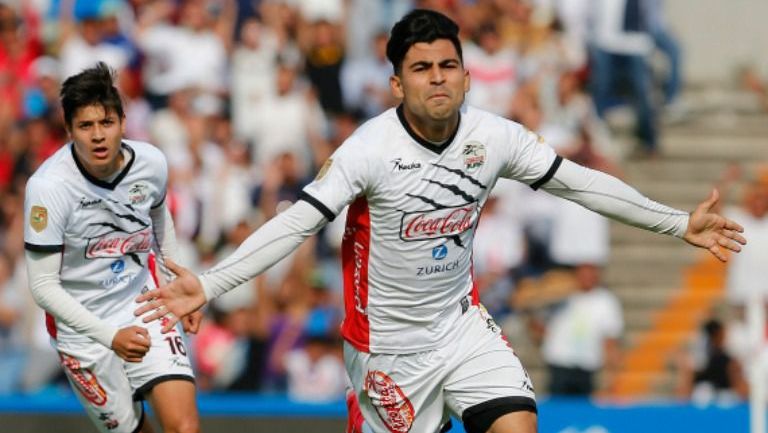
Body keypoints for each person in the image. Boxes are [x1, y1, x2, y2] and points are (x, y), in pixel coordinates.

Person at [136, 10, 746, 433]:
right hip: (385, 350)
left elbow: (579, 181)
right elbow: (297, 222)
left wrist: (675, 223)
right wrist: (212, 285)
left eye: (447, 65)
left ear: (466, 73)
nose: (437, 78)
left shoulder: (494, 136)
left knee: (518, 424)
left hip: (461, 328)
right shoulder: (368, 151)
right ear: (397, 82)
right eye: (422, 68)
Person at [24, 62, 201, 433]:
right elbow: (42, 287)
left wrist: (177, 283)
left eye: (106, 123)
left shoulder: (151, 163)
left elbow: (159, 219)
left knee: (184, 428)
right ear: (69, 130)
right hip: (83, 332)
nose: (98, 136)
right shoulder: (48, 188)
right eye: (85, 126)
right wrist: (110, 337)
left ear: (123, 121)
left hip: (143, 306)